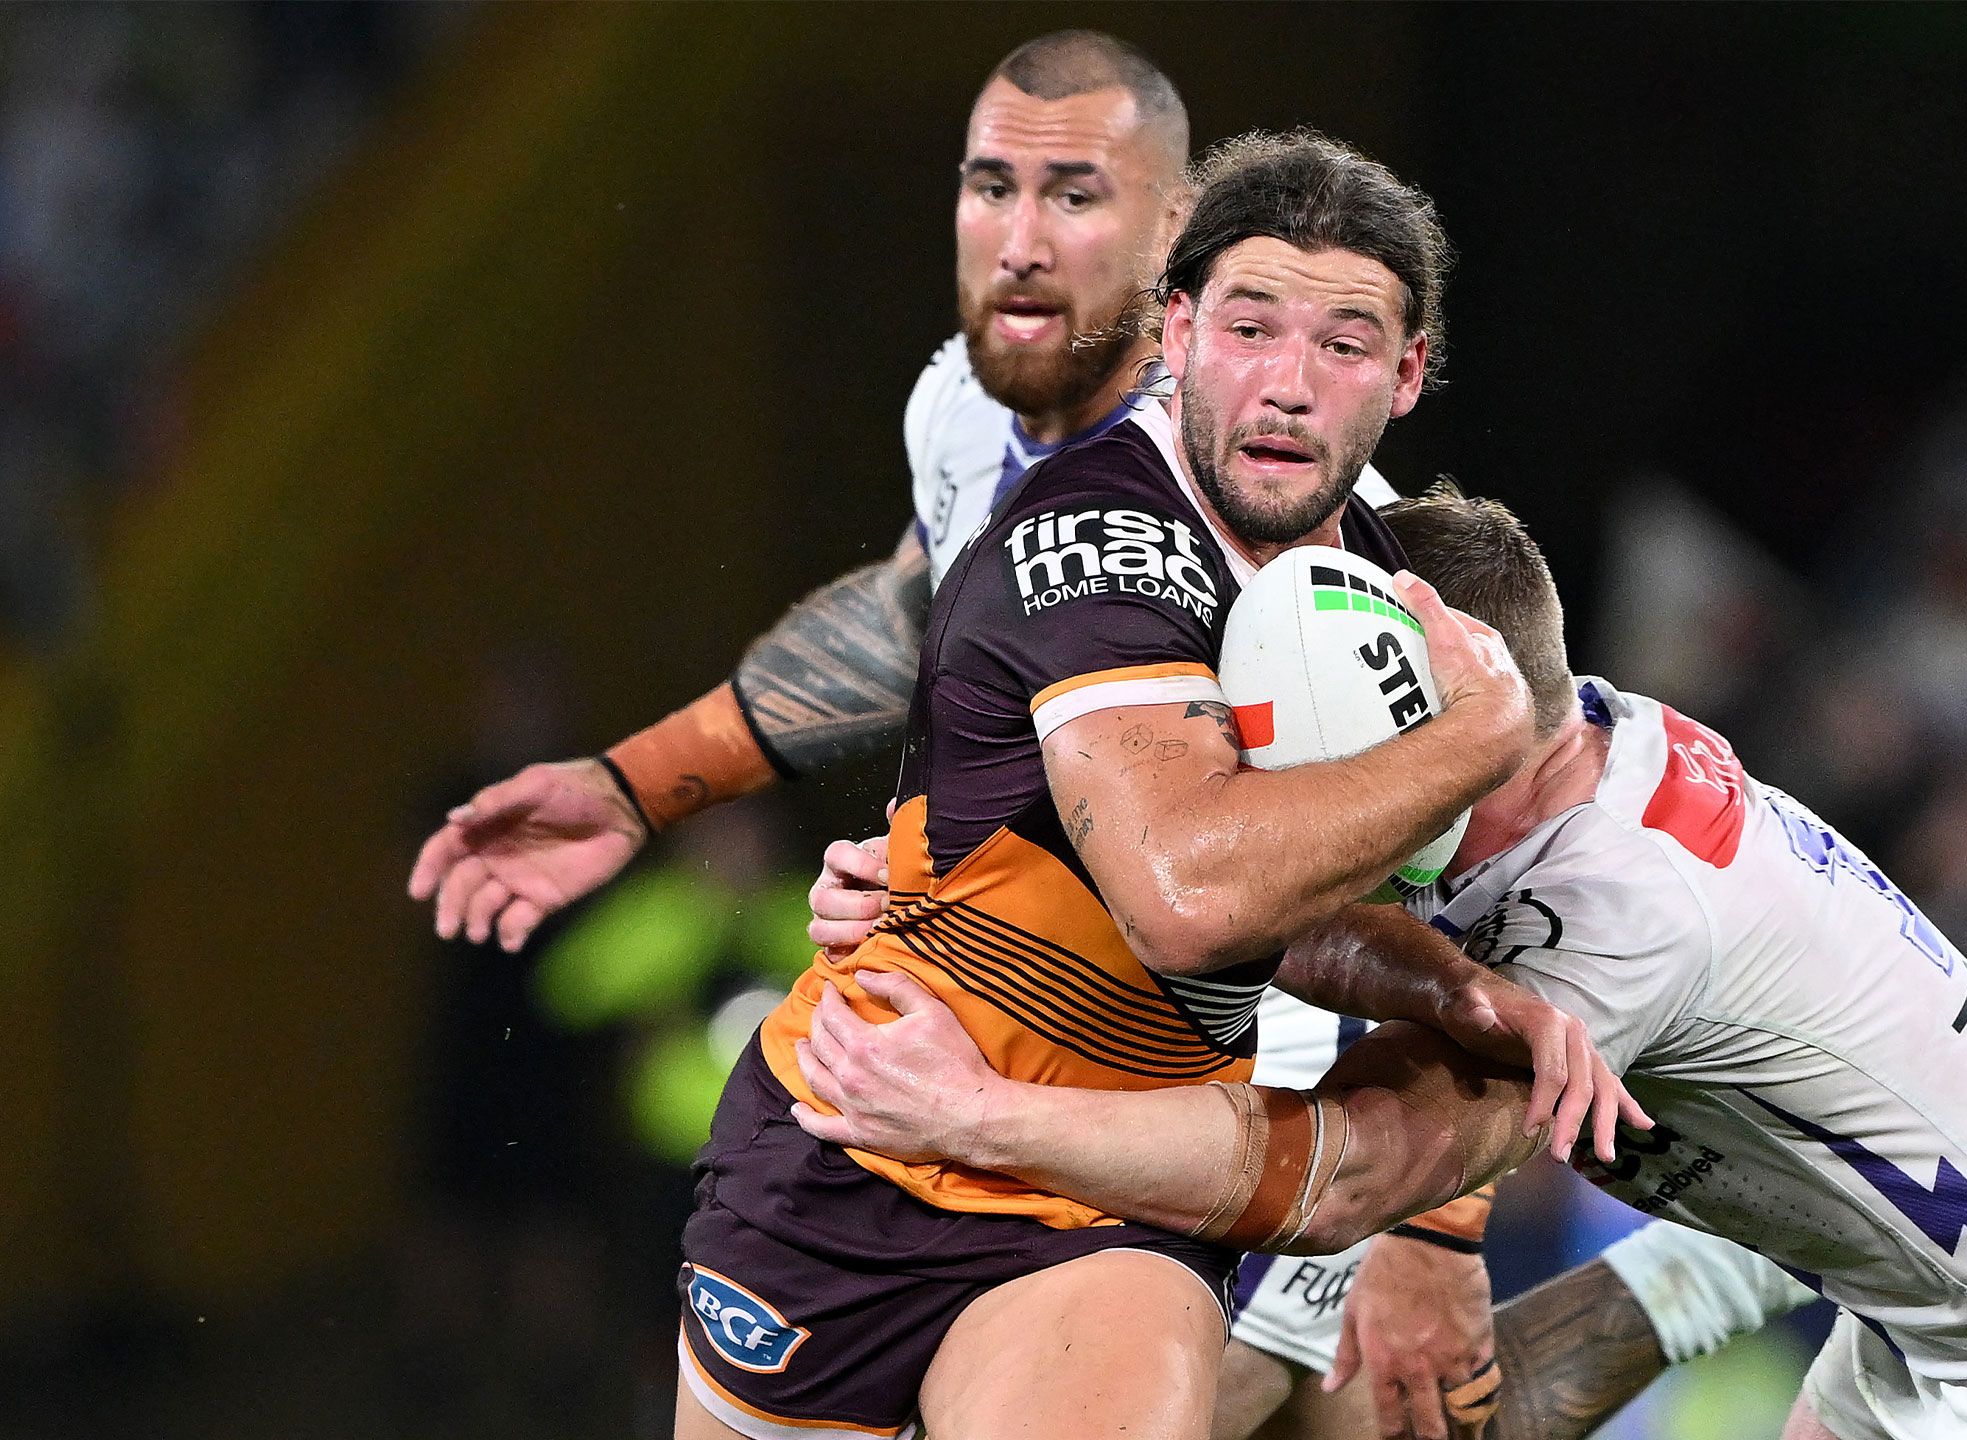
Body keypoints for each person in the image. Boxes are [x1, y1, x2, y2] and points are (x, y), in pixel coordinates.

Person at [410, 30, 1805, 1440]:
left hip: (1189, 1147)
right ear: (1190, 319)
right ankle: (1704, 1272)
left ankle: (1704, 1276)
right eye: (989, 187)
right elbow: (923, 634)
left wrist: (1435, 1216)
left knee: (1377, 1420)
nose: (1020, 243)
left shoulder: (1363, 577)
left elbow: (1345, 894)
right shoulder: (975, 426)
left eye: (1072, 195)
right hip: (868, 1134)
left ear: (1164, 249)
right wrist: (655, 786)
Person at [790, 487, 1967, 1440]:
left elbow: (1355, 1178)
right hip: (1960, 1230)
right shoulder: (1559, 737)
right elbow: (1252, 903)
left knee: (1376, 1344)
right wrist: (958, 885)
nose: (1314, 795)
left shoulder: (1614, 915)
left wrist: (978, 1116)